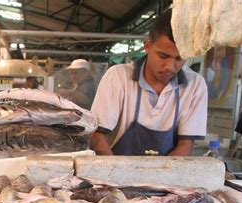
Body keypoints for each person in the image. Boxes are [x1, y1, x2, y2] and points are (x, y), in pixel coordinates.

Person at [89, 10, 208, 156]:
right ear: (147, 46)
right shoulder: (118, 77)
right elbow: (98, 138)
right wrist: (116, 173)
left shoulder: (195, 85)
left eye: (179, 58)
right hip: (116, 170)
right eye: (163, 56)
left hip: (166, 173)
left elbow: (185, 145)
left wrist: (159, 176)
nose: (170, 67)